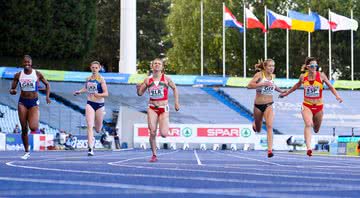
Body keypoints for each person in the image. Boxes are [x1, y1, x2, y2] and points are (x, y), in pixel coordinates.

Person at [279, 57, 343, 157]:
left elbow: (330, 86)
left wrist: (337, 96)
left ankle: (311, 140)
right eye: (312, 66)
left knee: (316, 129)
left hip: (318, 106)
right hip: (307, 105)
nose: (314, 67)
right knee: (308, 124)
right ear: (307, 67)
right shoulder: (302, 77)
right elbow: (296, 86)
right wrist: (286, 93)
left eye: (316, 66)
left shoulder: (321, 75)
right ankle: (309, 148)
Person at [136, 58, 180, 162]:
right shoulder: (147, 80)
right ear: (152, 66)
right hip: (152, 108)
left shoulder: (166, 79)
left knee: (164, 134)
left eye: (159, 63)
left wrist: (176, 102)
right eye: (155, 63)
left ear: (162, 67)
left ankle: (164, 125)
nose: (156, 65)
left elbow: (175, 88)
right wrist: (138, 88)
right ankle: (154, 155)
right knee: (152, 132)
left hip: (163, 109)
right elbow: (140, 94)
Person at [9, 55, 51, 159]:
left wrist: (47, 97)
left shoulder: (37, 74)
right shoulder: (18, 75)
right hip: (22, 102)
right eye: (25, 62)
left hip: (33, 102)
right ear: (22, 63)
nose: (27, 64)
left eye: (28, 62)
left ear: (31, 63)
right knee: (24, 128)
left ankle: (35, 116)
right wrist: (13, 91)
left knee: (33, 127)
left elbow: (47, 85)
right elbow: (12, 89)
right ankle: (27, 150)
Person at [247, 59, 285, 158]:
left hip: (269, 104)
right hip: (258, 105)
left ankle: (269, 150)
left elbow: (273, 85)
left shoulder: (273, 76)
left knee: (269, 125)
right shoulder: (259, 75)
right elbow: (249, 86)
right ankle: (255, 124)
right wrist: (261, 84)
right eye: (270, 66)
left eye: (273, 66)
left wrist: (281, 91)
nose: (272, 68)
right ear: (265, 67)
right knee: (258, 129)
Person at [73, 61, 108, 156]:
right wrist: (79, 91)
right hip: (90, 103)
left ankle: (103, 131)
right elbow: (86, 88)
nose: (94, 69)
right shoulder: (88, 79)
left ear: (99, 68)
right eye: (93, 67)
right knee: (89, 126)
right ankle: (90, 148)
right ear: (90, 68)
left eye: (96, 68)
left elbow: (106, 94)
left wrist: (98, 95)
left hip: (100, 105)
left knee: (97, 129)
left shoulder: (101, 80)